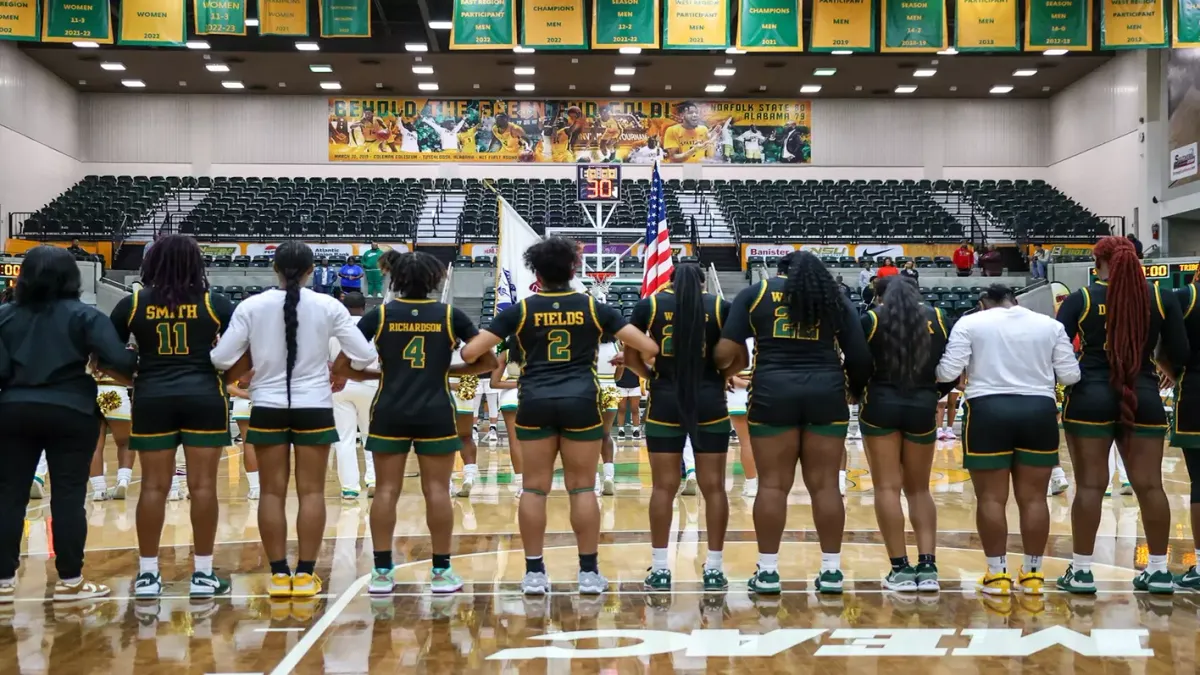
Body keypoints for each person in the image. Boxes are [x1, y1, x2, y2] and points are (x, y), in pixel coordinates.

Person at [460, 237, 658, 595]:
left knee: (534, 489)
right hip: (581, 400)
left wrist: (495, 360)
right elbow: (649, 346)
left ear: (536, 272)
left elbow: (471, 350)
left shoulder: (519, 310)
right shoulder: (594, 307)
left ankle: (534, 573)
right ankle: (588, 573)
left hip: (534, 400)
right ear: (573, 270)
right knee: (582, 487)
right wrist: (625, 357)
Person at [210, 241, 378, 599]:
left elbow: (222, 359)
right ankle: (304, 575)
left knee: (271, 492)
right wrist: (337, 368)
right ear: (311, 270)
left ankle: (277, 575)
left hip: (267, 406)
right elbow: (364, 355)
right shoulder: (329, 305)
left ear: (274, 268)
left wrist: (253, 363)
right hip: (315, 406)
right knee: (312, 492)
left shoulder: (251, 306)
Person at [333, 251, 496, 595]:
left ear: (396, 279)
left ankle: (381, 573)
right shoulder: (450, 315)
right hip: (436, 409)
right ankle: (440, 571)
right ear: (435, 280)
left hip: (389, 409)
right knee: (436, 490)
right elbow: (488, 362)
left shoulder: (379, 315)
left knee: (386, 491)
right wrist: (444, 370)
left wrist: (384, 373)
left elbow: (343, 367)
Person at [715, 251, 872, 594]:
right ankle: (831, 572)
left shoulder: (754, 294)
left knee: (772, 486)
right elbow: (860, 356)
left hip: (772, 393)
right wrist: (854, 390)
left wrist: (724, 371)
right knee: (826, 486)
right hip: (826, 393)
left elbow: (726, 350)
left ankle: (768, 572)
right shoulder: (834, 297)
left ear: (780, 270)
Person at [0, 245, 137, 602]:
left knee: (8, 497)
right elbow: (120, 360)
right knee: (68, 498)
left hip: (14, 410)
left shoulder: (4, 316)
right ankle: (70, 581)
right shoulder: (85, 316)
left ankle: (2, 582)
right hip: (71, 410)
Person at [1055, 236, 1189, 594]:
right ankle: (1159, 571)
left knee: (1090, 486)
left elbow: (1057, 351)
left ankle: (1082, 571)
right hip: (1143, 396)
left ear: (1098, 262)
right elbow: (1180, 350)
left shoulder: (1080, 299)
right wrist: (1162, 369)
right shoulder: (1162, 297)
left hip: (1089, 398)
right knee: (1150, 486)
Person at [108, 234, 236, 598]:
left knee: (152, 487)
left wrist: (131, 377)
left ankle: (148, 576)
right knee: (203, 487)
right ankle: (203, 574)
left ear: (151, 264)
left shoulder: (132, 302)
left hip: (152, 397)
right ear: (196, 264)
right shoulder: (214, 303)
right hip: (204, 398)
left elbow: (103, 354)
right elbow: (244, 349)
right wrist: (225, 378)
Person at [937, 284, 1080, 597]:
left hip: (987, 412)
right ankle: (1032, 574)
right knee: (1034, 499)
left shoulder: (970, 322)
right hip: (1038, 412)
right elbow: (1070, 376)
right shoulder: (1050, 325)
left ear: (983, 303)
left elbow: (947, 371)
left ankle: (997, 574)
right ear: (1016, 301)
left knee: (991, 499)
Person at [626, 264, 732, 590]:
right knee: (713, 487)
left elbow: (631, 359)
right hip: (710, 400)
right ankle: (714, 568)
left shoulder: (651, 305)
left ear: (669, 281)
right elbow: (733, 355)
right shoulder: (719, 306)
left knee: (663, 488)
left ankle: (660, 569)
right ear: (703, 282)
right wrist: (721, 375)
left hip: (665, 401)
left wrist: (653, 377)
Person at [859, 276, 950, 591]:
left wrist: (856, 392)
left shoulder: (871, 319)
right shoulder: (938, 318)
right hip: (922, 406)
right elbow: (949, 367)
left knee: (887, 488)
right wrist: (937, 392)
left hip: (880, 405)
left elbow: (858, 363)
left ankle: (899, 569)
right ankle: (928, 569)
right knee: (919, 490)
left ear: (882, 296)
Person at [330, 292, 376, 499]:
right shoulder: (374, 328)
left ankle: (349, 487)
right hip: (370, 383)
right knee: (371, 436)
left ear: (342, 305)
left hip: (340, 385)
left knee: (344, 438)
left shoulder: (334, 329)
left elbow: (324, 360)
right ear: (364, 307)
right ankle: (374, 480)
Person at [1169, 274, 1200, 589]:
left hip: (1195, 392)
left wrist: (1175, 375)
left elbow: (1165, 348)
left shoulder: (1185, 296)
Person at [491, 341, 525, 495]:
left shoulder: (506, 352)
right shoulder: (539, 349)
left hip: (510, 398)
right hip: (533, 396)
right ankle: (534, 483)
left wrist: (516, 383)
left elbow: (494, 383)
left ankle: (521, 485)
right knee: (538, 441)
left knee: (515, 441)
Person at [226, 371, 260, 499]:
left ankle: (255, 488)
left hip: (244, 399)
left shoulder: (239, 354)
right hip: (268, 398)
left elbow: (230, 383)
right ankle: (269, 487)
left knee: (249, 443)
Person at [615, 354, 643, 440]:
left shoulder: (637, 355)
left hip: (635, 385)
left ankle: (636, 430)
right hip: (620, 385)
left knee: (635, 408)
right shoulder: (619, 354)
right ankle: (621, 430)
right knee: (621, 408)